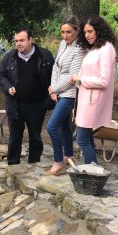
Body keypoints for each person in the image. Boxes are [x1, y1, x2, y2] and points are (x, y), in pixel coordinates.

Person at [0, 28, 54, 165]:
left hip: (37, 105)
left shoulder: (45, 56)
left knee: (35, 136)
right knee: (15, 137)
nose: (18, 43)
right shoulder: (10, 57)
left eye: (21, 40)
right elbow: (1, 75)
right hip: (15, 104)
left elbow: (54, 77)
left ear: (30, 40)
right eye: (16, 41)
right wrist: (7, 87)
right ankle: (13, 164)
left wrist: (48, 101)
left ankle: (34, 164)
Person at [70, 16, 116, 164]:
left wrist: (80, 79)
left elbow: (104, 80)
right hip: (86, 100)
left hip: (93, 103)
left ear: (99, 30)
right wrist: (78, 79)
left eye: (90, 31)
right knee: (87, 138)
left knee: (82, 139)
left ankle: (91, 173)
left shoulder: (106, 49)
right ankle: (91, 174)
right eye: (85, 32)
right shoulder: (96, 48)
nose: (87, 35)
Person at [45, 16, 87, 175]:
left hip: (69, 94)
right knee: (64, 126)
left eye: (69, 32)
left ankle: (58, 161)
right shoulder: (63, 44)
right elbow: (56, 67)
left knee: (51, 126)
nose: (65, 35)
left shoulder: (80, 49)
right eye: (62, 32)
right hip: (58, 91)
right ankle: (68, 155)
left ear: (77, 31)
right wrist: (53, 89)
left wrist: (54, 88)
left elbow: (72, 77)